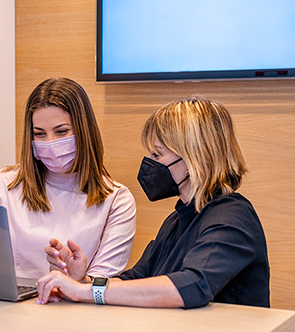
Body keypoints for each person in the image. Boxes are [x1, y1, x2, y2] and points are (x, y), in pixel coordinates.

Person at [35, 95, 270, 309]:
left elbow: (191, 286)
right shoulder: (179, 218)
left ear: (193, 159)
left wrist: (85, 292)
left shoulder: (233, 216)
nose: (149, 162)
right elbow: (137, 278)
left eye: (157, 154)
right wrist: (84, 279)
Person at [0, 78, 136, 281]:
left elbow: (100, 285)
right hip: (7, 306)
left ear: (84, 130)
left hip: (73, 309)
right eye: (39, 134)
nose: (50, 143)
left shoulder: (116, 199)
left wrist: (80, 280)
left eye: (61, 132)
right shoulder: (2, 185)